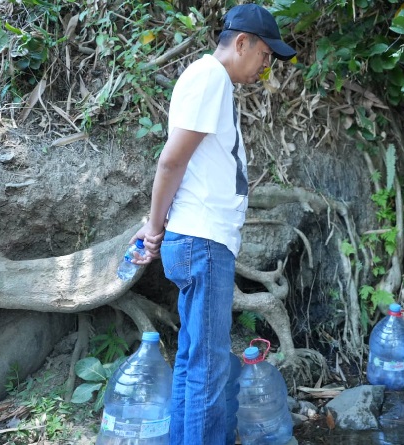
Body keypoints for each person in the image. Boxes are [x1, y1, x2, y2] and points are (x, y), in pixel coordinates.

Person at [128, 4, 296, 445]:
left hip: (199, 239)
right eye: (264, 55)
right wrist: (153, 227)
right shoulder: (210, 78)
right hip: (202, 241)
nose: (265, 66)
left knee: (193, 359)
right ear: (242, 43)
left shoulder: (208, 80)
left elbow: (188, 165)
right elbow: (171, 161)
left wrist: (159, 225)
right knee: (208, 365)